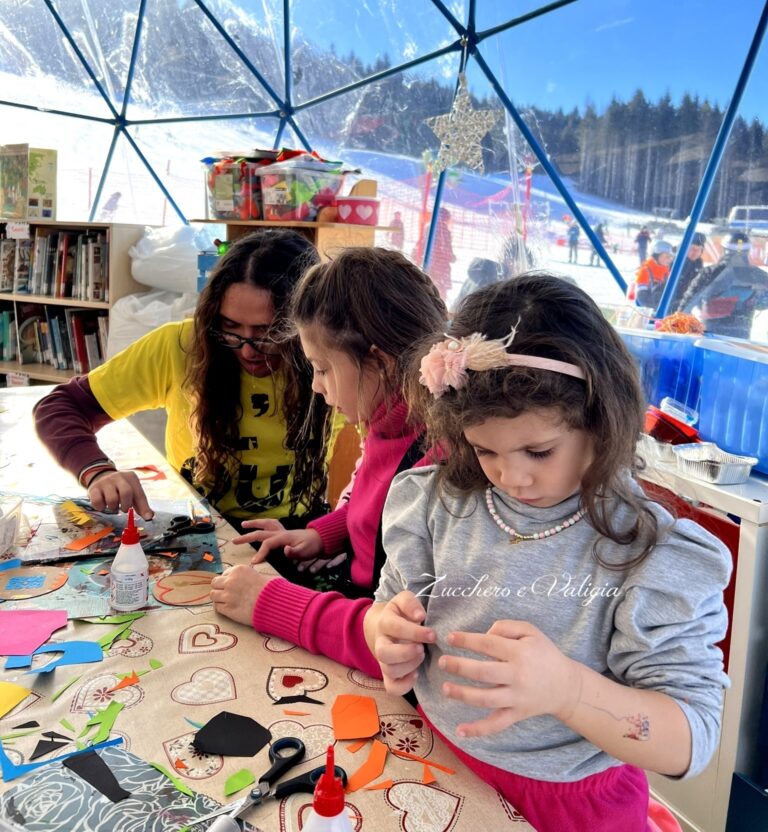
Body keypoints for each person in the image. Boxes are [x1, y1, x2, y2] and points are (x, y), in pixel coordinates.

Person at [364, 273, 730, 832]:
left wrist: (568, 690)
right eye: (486, 450)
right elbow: (385, 607)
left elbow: (690, 739)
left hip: (573, 808)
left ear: (601, 422)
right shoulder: (436, 500)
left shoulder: (651, 553)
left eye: (539, 450)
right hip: (440, 768)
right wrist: (386, 635)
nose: (513, 476)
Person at [209, 247, 447, 676]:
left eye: (321, 369)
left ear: (381, 364)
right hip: (352, 601)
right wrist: (320, 535)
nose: (317, 387)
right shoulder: (386, 420)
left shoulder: (435, 466)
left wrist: (271, 604)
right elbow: (376, 508)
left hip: (371, 640)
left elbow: (401, 642)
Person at [34, 230, 331, 525]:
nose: (247, 350)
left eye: (269, 333)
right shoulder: (182, 345)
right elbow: (59, 407)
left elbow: (372, 465)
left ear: (304, 324)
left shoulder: (330, 361)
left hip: (297, 532)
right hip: (198, 524)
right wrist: (98, 471)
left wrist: (327, 531)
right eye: (229, 327)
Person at [680, 231, 768, 339]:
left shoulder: (710, 272)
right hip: (740, 337)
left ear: (724, 249)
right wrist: (752, 300)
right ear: (748, 251)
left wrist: (676, 323)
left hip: (709, 335)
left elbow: (687, 302)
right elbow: (764, 302)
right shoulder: (758, 276)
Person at [414, 208, 455, 301]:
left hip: (431, 262)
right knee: (439, 289)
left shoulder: (430, 227)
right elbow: (446, 247)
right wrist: (450, 256)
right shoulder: (443, 230)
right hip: (440, 265)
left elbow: (423, 242)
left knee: (430, 286)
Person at [667, 232, 706, 312]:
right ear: (685, 248)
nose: (695, 252)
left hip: (687, 303)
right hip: (671, 302)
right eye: (692, 248)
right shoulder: (676, 262)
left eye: (698, 250)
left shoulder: (698, 263)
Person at [633, 239, 673, 309]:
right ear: (656, 256)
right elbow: (642, 297)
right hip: (645, 310)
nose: (669, 260)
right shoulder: (645, 270)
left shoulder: (666, 271)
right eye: (667, 256)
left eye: (670, 257)